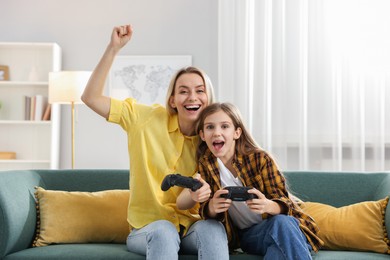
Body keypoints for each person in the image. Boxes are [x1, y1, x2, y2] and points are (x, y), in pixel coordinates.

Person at [81, 24, 229, 260]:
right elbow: (90, 98)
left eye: (200, 91)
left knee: (212, 229)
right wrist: (113, 48)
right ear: (172, 100)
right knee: (163, 230)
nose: (192, 97)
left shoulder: (214, 140)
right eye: (183, 91)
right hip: (148, 230)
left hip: (189, 228)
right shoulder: (144, 118)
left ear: (208, 99)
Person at [177, 102, 324, 259]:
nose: (216, 132)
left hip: (290, 230)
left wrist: (268, 205)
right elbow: (205, 210)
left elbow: (285, 204)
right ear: (202, 135)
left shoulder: (260, 159)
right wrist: (212, 207)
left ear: (237, 133)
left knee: (279, 238)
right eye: (210, 127)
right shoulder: (207, 165)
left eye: (225, 126)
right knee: (280, 231)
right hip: (251, 236)